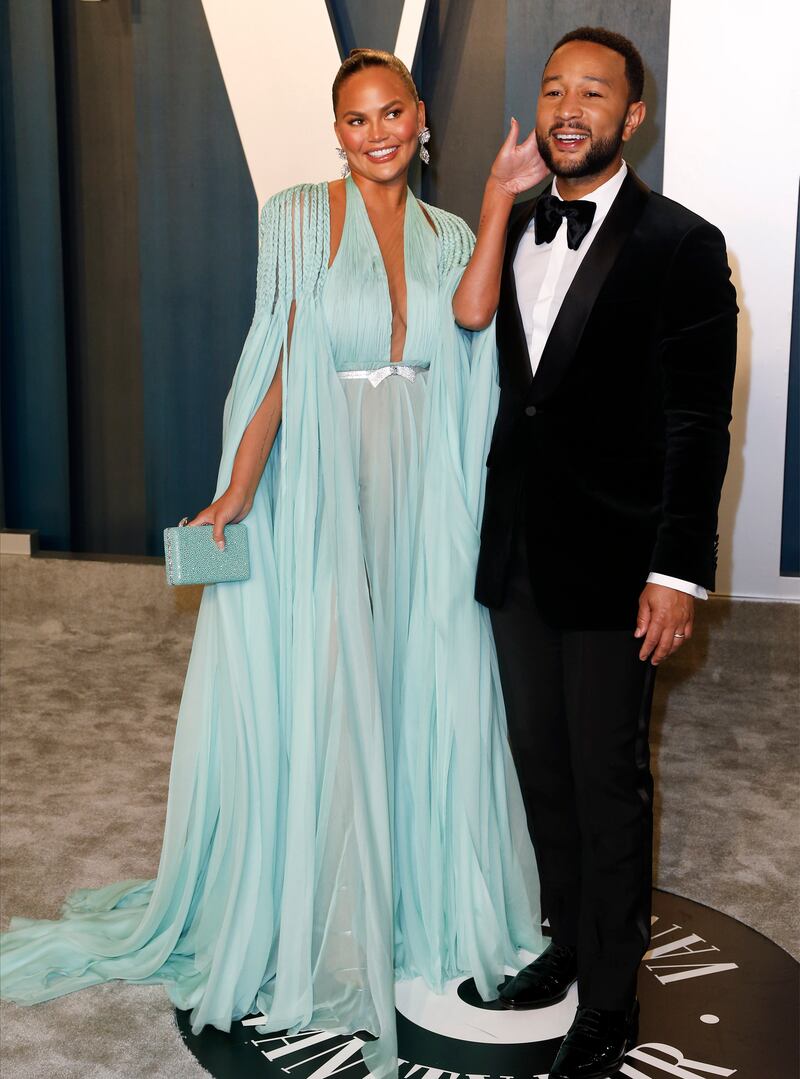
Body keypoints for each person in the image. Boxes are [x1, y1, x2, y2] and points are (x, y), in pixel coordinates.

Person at [0, 50, 545, 1076]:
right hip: (323, 486)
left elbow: (471, 322)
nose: (376, 131)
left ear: (420, 117)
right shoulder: (296, 215)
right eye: (354, 118)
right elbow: (279, 353)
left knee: (417, 677)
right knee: (329, 683)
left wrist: (494, 199)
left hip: (423, 490)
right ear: (333, 131)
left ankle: (412, 890)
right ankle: (326, 902)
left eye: (391, 112)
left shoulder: (448, 235)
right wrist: (241, 483)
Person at [453, 26, 738, 1079]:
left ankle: (609, 1000)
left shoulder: (681, 242)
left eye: (593, 93)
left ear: (632, 115)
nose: (568, 108)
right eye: (552, 89)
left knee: (607, 778)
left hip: (619, 565)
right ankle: (565, 942)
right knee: (541, 771)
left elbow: (695, 423)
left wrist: (675, 571)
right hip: (518, 554)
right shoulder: (517, 220)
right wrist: (493, 200)